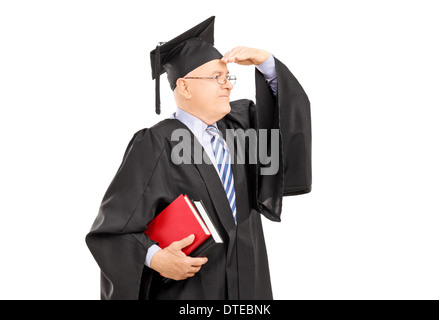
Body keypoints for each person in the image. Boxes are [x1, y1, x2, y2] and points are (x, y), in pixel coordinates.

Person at [86, 16, 312, 300]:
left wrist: (266, 63)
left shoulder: (241, 128)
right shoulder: (156, 143)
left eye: (227, 76)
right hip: (192, 293)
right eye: (216, 77)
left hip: (250, 288)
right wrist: (155, 257)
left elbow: (287, 124)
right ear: (185, 87)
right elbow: (112, 231)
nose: (228, 85)